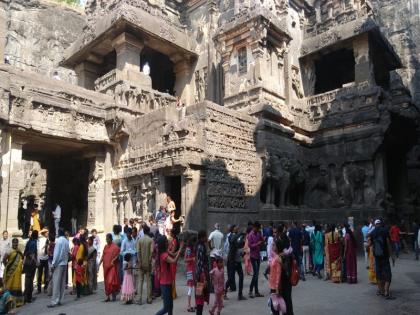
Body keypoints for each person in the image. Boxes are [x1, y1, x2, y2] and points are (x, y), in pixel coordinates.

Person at [155, 235, 184, 315]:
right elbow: (174, 260)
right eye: (166, 241)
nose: (168, 242)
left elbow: (174, 254)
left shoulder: (165, 251)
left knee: (170, 306)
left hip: (167, 282)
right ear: (163, 243)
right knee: (166, 308)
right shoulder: (163, 255)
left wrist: (179, 248)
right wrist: (181, 249)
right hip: (165, 283)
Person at [370, 219, 395, 299]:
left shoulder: (373, 233)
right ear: (381, 224)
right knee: (388, 274)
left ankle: (381, 291)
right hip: (385, 256)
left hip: (377, 257)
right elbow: (388, 244)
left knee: (379, 274)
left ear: (375, 224)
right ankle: (387, 292)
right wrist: (392, 255)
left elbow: (372, 246)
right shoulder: (385, 231)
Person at [47, 228, 69, 308]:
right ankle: (60, 300)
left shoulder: (59, 241)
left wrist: (53, 264)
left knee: (56, 283)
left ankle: (54, 301)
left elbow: (56, 254)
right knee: (62, 283)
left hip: (58, 264)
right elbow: (67, 252)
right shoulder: (66, 241)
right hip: (64, 263)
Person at [226, 225, 246, 301]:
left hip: (237, 259)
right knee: (231, 278)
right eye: (235, 227)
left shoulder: (238, 236)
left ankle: (240, 295)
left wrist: (243, 239)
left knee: (241, 276)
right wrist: (240, 234)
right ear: (232, 229)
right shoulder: (230, 236)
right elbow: (232, 241)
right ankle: (224, 292)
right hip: (232, 260)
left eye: (238, 227)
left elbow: (239, 245)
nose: (237, 227)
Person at [99, 234, 121, 302]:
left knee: (111, 281)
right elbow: (103, 255)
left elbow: (118, 255)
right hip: (105, 267)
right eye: (106, 238)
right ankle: (108, 297)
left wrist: (113, 260)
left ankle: (114, 296)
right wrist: (99, 264)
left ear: (111, 239)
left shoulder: (115, 247)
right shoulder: (105, 246)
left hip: (112, 266)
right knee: (106, 282)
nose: (106, 240)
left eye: (107, 238)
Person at [3, 238, 24, 307]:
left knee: (17, 287)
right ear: (12, 243)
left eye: (16, 243)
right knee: (10, 286)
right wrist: (8, 267)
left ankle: (18, 303)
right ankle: (9, 303)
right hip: (11, 272)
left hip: (18, 273)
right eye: (14, 243)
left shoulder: (18, 250)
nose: (15, 244)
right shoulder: (9, 250)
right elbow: (4, 259)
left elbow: (22, 257)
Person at [136, 225, 153, 305]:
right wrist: (149, 261)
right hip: (148, 263)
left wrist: (139, 262)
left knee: (140, 281)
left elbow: (138, 252)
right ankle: (149, 298)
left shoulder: (140, 240)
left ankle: (139, 299)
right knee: (149, 280)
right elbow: (152, 252)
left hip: (141, 263)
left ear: (143, 231)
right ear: (148, 231)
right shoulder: (151, 240)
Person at [247, 221, 264, 298]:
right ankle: (250, 291)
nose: (258, 230)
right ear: (254, 227)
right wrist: (258, 243)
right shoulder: (250, 235)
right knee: (255, 274)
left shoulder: (258, 233)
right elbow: (250, 245)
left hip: (258, 255)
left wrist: (263, 240)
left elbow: (262, 240)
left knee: (256, 274)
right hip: (253, 256)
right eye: (257, 228)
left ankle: (256, 291)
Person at [195, 230, 210, 315]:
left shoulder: (200, 246)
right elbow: (200, 263)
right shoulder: (201, 247)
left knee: (200, 297)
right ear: (202, 237)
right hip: (201, 275)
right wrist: (204, 277)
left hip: (199, 274)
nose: (206, 238)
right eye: (205, 236)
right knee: (200, 298)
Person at [23, 230, 38, 303]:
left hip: (27, 263)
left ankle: (26, 297)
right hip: (31, 264)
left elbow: (25, 253)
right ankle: (28, 298)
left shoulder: (29, 242)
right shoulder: (33, 243)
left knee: (27, 280)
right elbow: (32, 254)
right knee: (30, 281)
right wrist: (36, 262)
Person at [268, 239, 282, 315]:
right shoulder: (274, 256)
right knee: (273, 306)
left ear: (277, 247)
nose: (272, 246)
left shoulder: (277, 259)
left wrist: (277, 286)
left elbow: (278, 273)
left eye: (273, 245)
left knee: (275, 307)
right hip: (272, 284)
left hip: (275, 285)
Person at [184, 235, 196, 312]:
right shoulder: (188, 249)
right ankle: (189, 306)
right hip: (190, 270)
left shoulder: (193, 249)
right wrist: (192, 258)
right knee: (190, 288)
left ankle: (195, 304)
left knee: (194, 287)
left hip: (193, 269)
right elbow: (185, 259)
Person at [37, 228, 50, 293]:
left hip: (46, 258)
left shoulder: (48, 239)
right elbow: (37, 233)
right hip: (40, 258)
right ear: (44, 233)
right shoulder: (39, 239)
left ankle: (45, 287)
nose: (48, 233)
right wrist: (43, 230)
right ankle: (39, 289)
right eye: (47, 233)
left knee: (46, 274)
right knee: (39, 274)